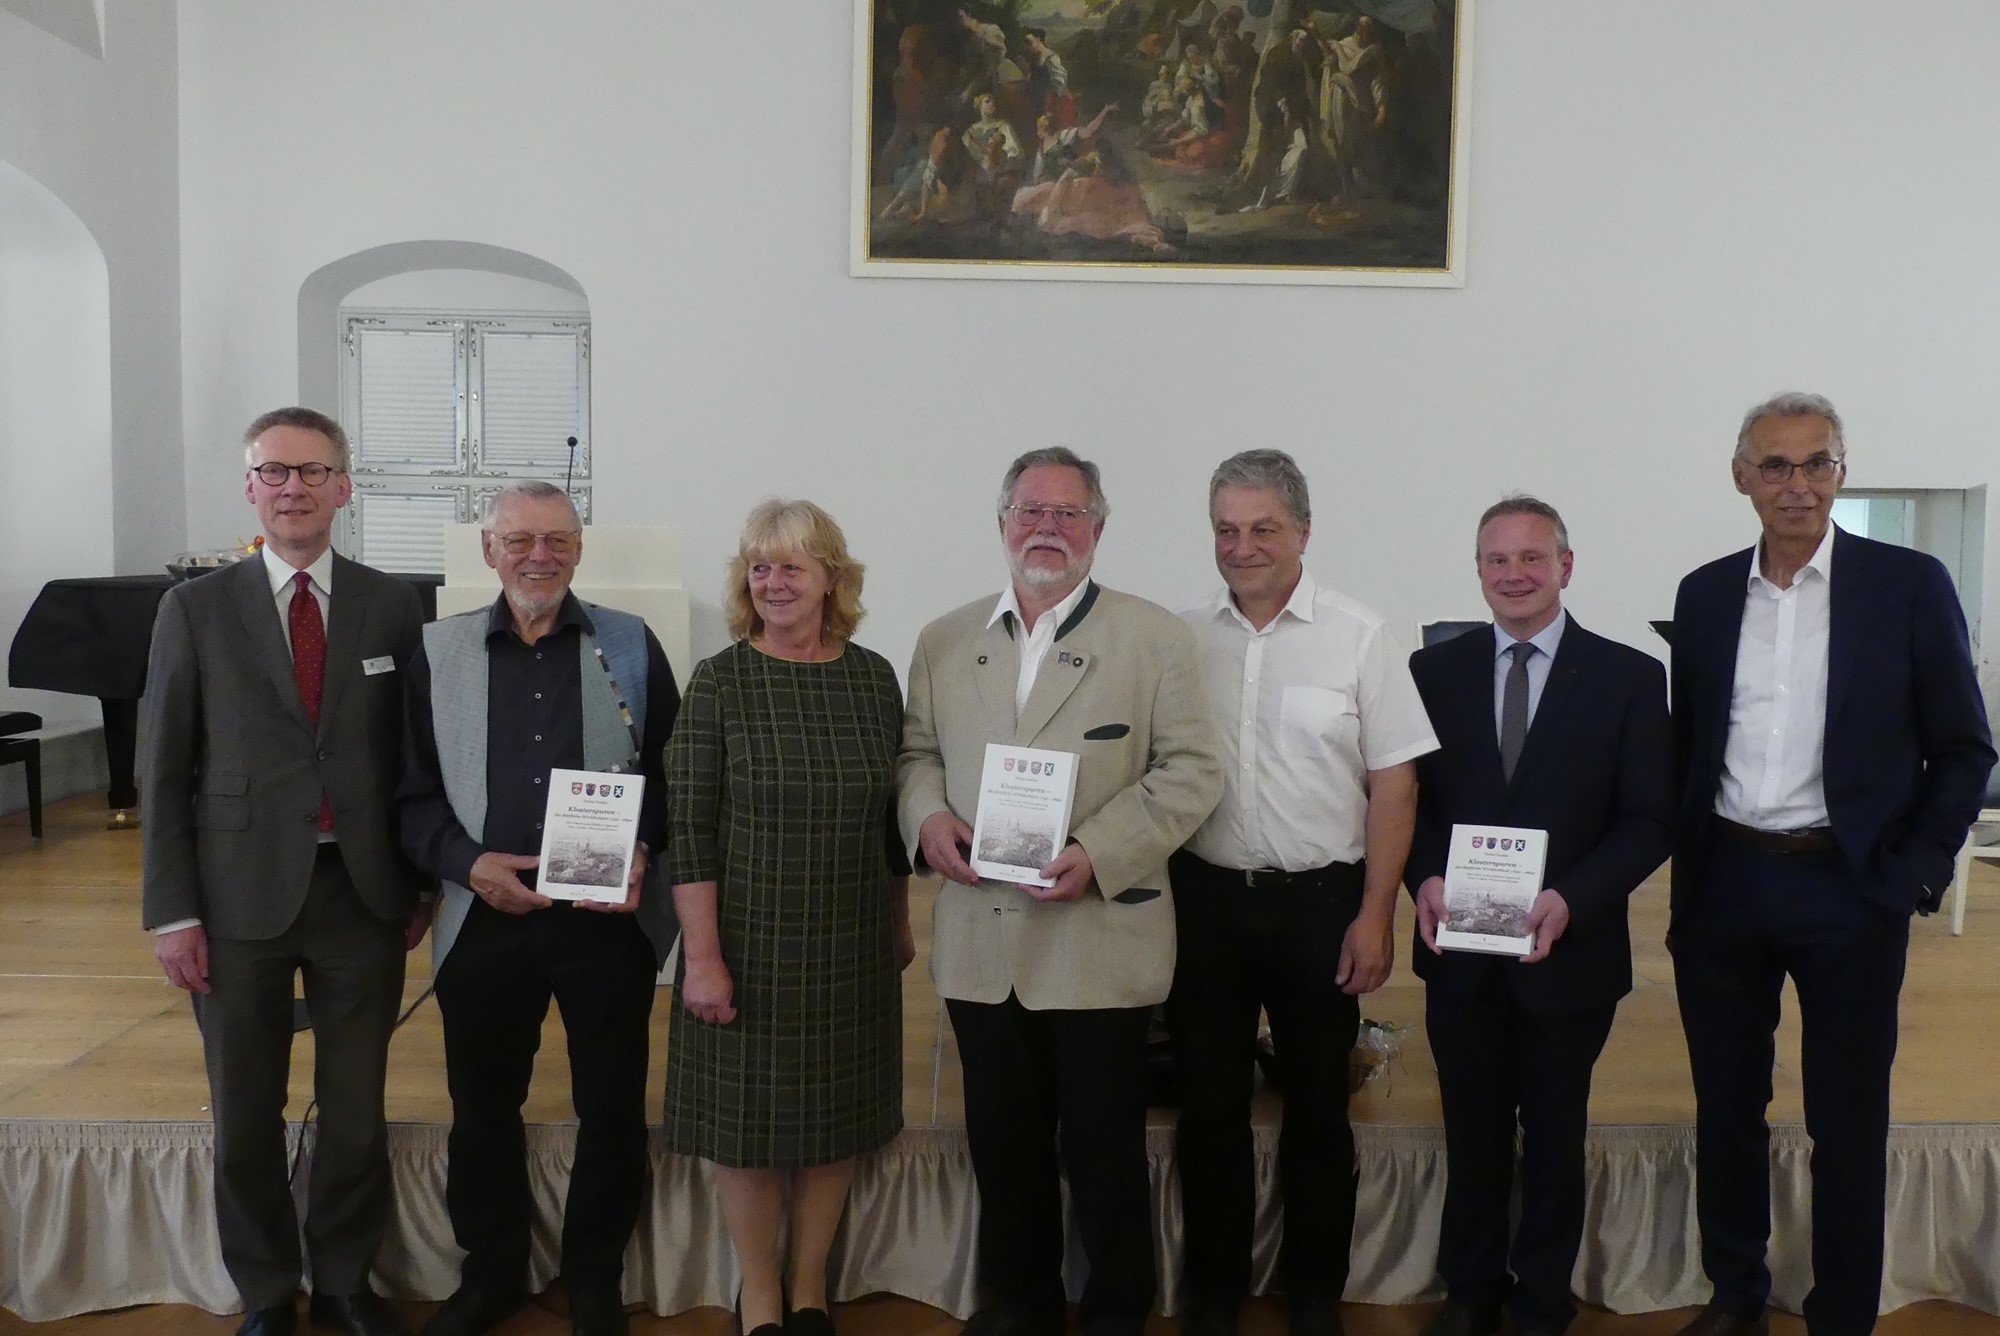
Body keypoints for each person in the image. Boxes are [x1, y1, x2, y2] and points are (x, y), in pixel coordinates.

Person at [1668, 393, 1995, 1336]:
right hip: (1726, 880)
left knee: (1847, 1118)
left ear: (1843, 473)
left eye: (1818, 463)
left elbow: (1965, 751)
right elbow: (1690, 743)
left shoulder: (1908, 584)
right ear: (1742, 477)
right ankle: (1735, 1296)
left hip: (1850, 887)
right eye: (1776, 465)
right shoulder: (1703, 593)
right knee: (1724, 1105)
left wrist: (1909, 876)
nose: (1797, 484)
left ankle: (1841, 1314)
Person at [899, 447, 1223, 1336]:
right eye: (1031, 510)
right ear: (1002, 522)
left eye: (1069, 513)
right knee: (1003, 1146)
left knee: (1103, 1147)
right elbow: (917, 757)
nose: (1048, 527)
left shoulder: (1154, 637)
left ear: (1099, 529)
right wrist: (926, 819)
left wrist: (1097, 850)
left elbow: (1193, 771)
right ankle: (1021, 1304)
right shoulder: (944, 638)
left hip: (1099, 935)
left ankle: (1118, 1309)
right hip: (981, 937)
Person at [141, 406, 429, 1336]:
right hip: (234, 900)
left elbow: (411, 757)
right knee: (246, 1114)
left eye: (313, 473)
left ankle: (343, 1279)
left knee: (353, 1110)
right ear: (251, 489)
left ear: (345, 488)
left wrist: (421, 881)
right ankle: (267, 1288)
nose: (294, 489)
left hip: (363, 894)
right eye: (276, 473)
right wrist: (171, 911)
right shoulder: (194, 608)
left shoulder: (392, 604)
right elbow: (163, 767)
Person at [398, 480, 679, 1336]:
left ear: (580, 549)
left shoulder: (629, 645)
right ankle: (491, 1275)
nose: (539, 556)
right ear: (489, 550)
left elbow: (671, 774)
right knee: (483, 1109)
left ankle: (591, 1277)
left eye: (557, 539)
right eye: (519, 540)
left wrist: (643, 850)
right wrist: (468, 864)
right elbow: (408, 794)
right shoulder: (435, 651)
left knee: (613, 1107)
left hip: (604, 923)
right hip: (483, 917)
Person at [1170, 449, 1435, 1336]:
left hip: (1323, 906)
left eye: (1263, 528)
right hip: (1203, 903)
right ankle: (1215, 1288)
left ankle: (1313, 1291)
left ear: (1303, 532)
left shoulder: (1358, 635)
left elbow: (1395, 785)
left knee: (1320, 1107)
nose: (1242, 547)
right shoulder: (1181, 637)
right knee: (1209, 1107)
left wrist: (1374, 915)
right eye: (1226, 530)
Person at [1405, 496, 1672, 1336]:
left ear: (1566, 565)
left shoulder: (1630, 676)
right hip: (1461, 953)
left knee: (1554, 1135)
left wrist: (1572, 900)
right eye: (1496, 560)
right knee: (1473, 1130)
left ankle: (1542, 1297)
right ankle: (1471, 1289)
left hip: (1570, 952)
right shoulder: (1432, 675)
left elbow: (1649, 820)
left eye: (1531, 558)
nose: (1513, 575)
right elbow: (1405, 807)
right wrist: (1422, 882)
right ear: (1477, 570)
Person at [663, 499, 915, 1336]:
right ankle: (760, 1291)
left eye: (792, 566)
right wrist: (701, 957)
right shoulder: (720, 681)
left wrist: (900, 922)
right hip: (745, 941)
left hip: (850, 939)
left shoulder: (874, 679)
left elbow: (891, 825)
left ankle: (810, 1286)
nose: (773, 582)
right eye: (759, 566)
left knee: (835, 1122)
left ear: (831, 579)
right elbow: (689, 833)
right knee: (749, 1131)